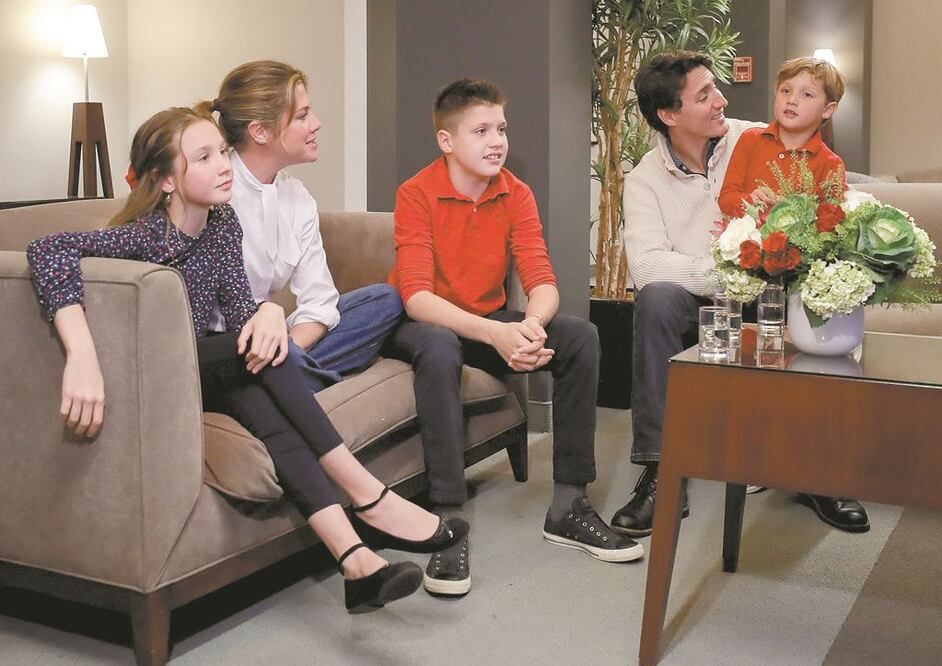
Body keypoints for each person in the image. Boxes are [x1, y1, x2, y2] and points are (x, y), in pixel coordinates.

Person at [27, 107, 467, 614]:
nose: (223, 165)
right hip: (155, 377)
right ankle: (368, 495)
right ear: (167, 180)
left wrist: (270, 315)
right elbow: (47, 250)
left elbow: (240, 311)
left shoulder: (221, 223)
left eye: (221, 151)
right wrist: (81, 354)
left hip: (207, 369)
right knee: (258, 356)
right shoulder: (147, 236)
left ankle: (355, 562)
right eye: (203, 158)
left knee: (263, 386)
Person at [384, 78, 644, 598]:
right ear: (446, 141)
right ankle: (446, 520)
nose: (496, 141)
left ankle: (568, 506)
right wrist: (497, 333)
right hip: (426, 324)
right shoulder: (416, 193)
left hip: (487, 319)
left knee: (580, 336)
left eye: (500, 129)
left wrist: (530, 326)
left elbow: (541, 278)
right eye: (481, 131)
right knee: (439, 348)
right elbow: (416, 297)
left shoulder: (514, 192)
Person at [615, 51, 869, 537]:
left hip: (772, 285)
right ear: (669, 115)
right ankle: (662, 470)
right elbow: (646, 266)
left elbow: (830, 195)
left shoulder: (753, 137)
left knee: (817, 297)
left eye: (716, 87)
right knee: (657, 299)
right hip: (703, 296)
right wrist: (727, 275)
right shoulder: (644, 179)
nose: (722, 100)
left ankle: (818, 470)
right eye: (704, 95)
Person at [206, 60, 402, 389]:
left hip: (273, 341)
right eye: (302, 116)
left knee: (385, 301)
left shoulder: (298, 198)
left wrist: (287, 347)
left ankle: (287, 374)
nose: (316, 124)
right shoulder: (214, 192)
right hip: (228, 346)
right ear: (260, 131)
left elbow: (319, 301)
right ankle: (297, 379)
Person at [718, 56, 847, 218]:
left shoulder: (831, 164)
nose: (791, 100)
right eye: (786, 91)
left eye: (807, 95)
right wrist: (750, 201)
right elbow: (726, 198)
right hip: (744, 233)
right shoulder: (750, 139)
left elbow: (832, 220)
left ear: (828, 109)